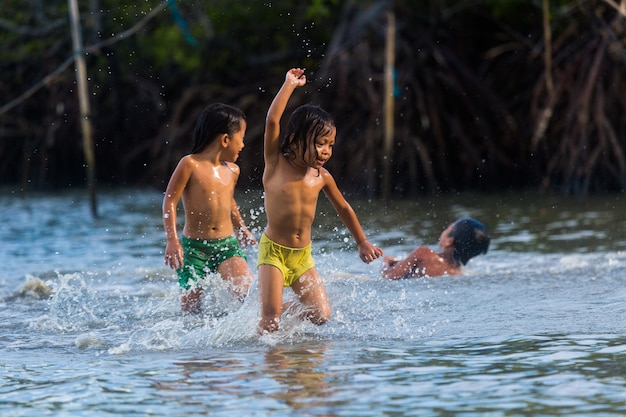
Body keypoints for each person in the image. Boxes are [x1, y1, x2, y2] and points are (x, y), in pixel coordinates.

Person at [258, 68, 384, 333]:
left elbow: (344, 208)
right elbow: (272, 121)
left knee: (321, 315)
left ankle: (285, 309)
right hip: (273, 254)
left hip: (303, 257)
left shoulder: (322, 177)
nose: (326, 151)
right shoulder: (275, 164)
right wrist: (289, 85)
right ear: (293, 140)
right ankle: (266, 365)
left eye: (330, 144)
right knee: (270, 322)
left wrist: (362, 242)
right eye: (319, 143)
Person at [163, 103, 256, 313]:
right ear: (225, 139)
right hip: (193, 249)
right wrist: (172, 240)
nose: (242, 145)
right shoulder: (189, 164)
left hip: (227, 247)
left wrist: (241, 228)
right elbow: (169, 201)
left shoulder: (233, 170)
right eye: (241, 138)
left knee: (249, 296)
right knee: (191, 311)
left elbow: (229, 202)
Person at [381, 218, 490, 279]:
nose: (445, 230)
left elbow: (388, 276)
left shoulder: (424, 253)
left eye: (449, 228)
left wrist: (386, 263)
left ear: (449, 241)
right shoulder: (458, 274)